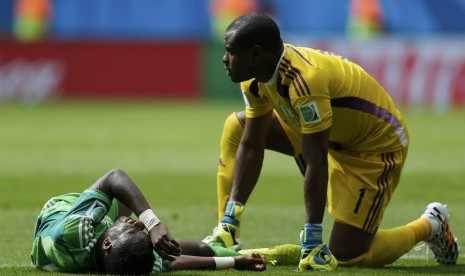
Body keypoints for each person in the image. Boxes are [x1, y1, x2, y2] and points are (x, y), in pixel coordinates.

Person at [202, 13, 459, 271]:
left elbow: (316, 157)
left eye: (230, 52)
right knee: (238, 127)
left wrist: (312, 237)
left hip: (374, 146)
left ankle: (431, 225)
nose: (224, 59)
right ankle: (225, 234)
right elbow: (251, 144)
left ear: (256, 54)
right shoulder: (253, 78)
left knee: (348, 255)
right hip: (327, 133)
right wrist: (231, 218)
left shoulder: (305, 81)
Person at [31, 168, 266, 274]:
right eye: (139, 229)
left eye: (132, 229)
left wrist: (154, 224)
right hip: (91, 239)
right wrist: (234, 262)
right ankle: (217, 244)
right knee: (199, 247)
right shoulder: (125, 261)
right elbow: (175, 261)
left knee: (122, 198)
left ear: (107, 244)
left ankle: (217, 245)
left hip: (57, 214)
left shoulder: (75, 232)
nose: (138, 224)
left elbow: (114, 177)